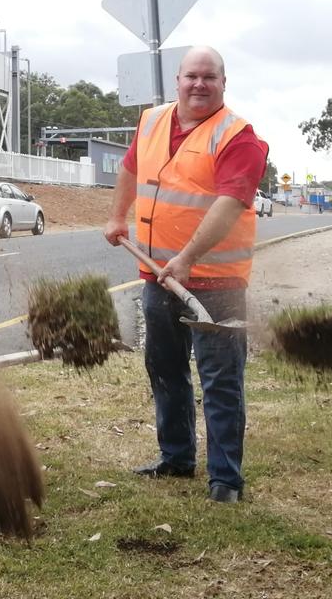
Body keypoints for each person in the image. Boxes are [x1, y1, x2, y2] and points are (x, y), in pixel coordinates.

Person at [102, 46, 268, 503]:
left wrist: (190, 257)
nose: (199, 84)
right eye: (191, 76)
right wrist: (118, 216)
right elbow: (130, 168)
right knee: (165, 368)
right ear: (177, 80)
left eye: (209, 77)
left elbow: (230, 204)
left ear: (223, 83)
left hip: (216, 282)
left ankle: (225, 479)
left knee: (220, 379)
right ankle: (176, 458)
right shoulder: (153, 120)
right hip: (157, 275)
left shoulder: (239, 137)